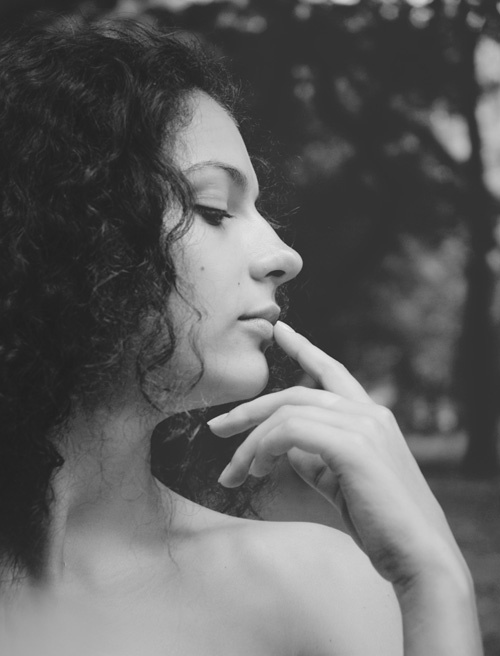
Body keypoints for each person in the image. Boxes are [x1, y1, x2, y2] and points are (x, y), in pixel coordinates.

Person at [0, 17, 482, 656]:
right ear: (70, 233)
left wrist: (436, 582)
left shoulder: (319, 590)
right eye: (214, 209)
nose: (285, 256)